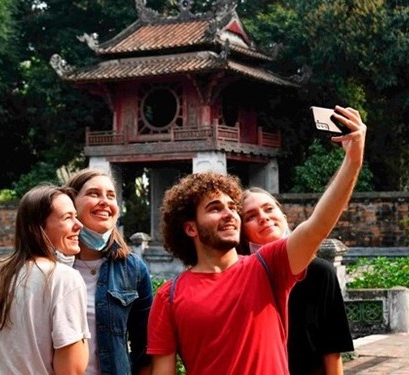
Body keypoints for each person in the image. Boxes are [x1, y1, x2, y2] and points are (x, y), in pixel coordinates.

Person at [147, 106, 366, 374]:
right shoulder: (168, 296)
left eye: (232, 207)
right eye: (215, 208)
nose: (229, 214)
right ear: (190, 228)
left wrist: (353, 161)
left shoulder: (267, 267)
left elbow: (317, 225)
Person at [0, 185, 90, 374]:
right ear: (39, 228)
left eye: (75, 216)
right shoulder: (64, 278)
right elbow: (71, 370)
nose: (79, 225)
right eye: (67, 217)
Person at [240, 187, 354, 375]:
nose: (263, 217)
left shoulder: (320, 272)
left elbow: (332, 349)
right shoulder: (240, 278)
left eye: (269, 209)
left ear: (283, 216)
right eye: (251, 216)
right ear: (242, 233)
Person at [65, 168, 153, 375]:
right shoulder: (50, 266)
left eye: (111, 196)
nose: (105, 201)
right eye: (93, 194)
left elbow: (145, 348)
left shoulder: (133, 269)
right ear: (71, 204)